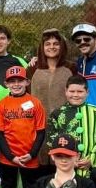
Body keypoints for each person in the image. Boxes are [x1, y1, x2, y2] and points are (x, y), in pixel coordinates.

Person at [0, 65, 46, 188]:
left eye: (19, 80)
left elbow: (41, 132)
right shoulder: (1, 105)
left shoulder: (35, 103)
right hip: (7, 158)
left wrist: (32, 154)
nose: (16, 84)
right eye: (12, 81)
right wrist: (11, 157)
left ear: (27, 82)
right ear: (6, 84)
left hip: (30, 157)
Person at [28, 28, 76, 170]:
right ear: (42, 47)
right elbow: (25, 96)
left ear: (62, 46)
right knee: (41, 165)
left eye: (56, 44)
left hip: (65, 124)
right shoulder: (33, 68)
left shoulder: (71, 67)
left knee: (62, 162)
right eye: (47, 44)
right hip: (39, 125)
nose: (52, 47)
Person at [46, 75, 96, 177]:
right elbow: (52, 140)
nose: (75, 95)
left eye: (80, 91)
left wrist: (92, 158)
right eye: (72, 91)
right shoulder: (57, 114)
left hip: (93, 168)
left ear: (87, 92)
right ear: (66, 91)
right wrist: (67, 160)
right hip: (67, 168)